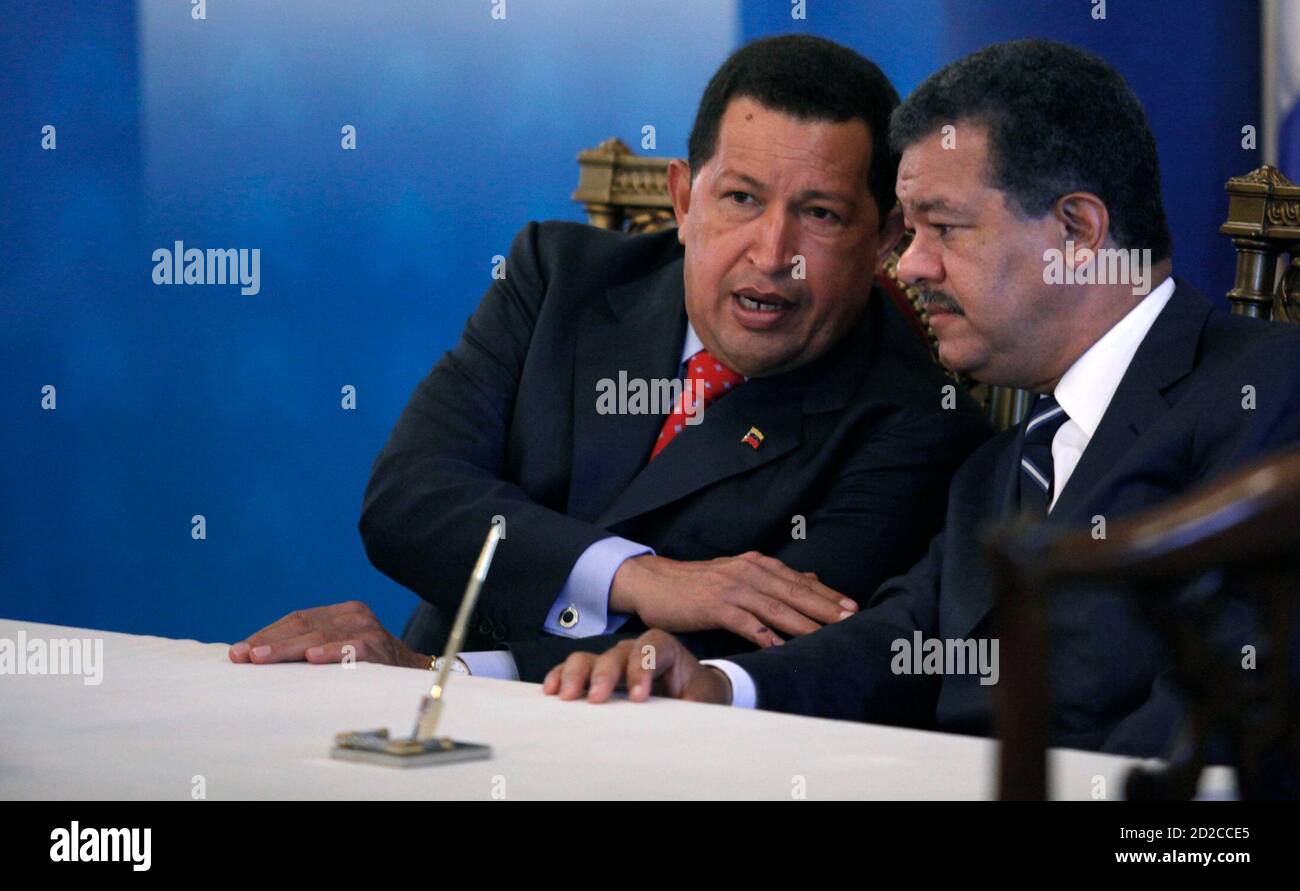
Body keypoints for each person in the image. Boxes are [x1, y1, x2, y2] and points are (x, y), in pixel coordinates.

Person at [543, 39, 1300, 757]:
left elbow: (1230, 698)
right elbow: (897, 643)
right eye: (909, 232)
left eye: (944, 227)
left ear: (1077, 231)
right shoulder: (999, 462)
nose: (909, 266)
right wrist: (718, 685)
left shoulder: (1264, 393)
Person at [228, 35, 990, 682]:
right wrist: (636, 575)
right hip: (424, 707)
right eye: (741, 199)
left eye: (820, 214)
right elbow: (409, 500)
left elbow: (750, 649)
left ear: (885, 240)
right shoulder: (558, 278)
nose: (771, 254)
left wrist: (449, 673)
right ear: (683, 200)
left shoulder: (918, 421)